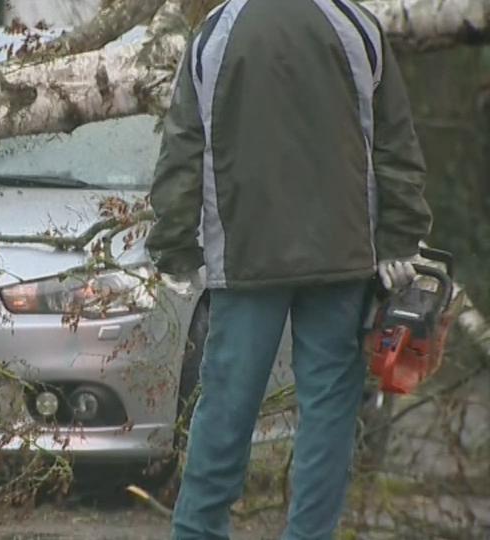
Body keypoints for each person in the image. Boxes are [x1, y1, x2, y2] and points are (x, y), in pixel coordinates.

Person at [144, 0, 432, 538]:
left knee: (227, 403)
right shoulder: (357, 26)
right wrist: (401, 236)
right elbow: (395, 143)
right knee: (328, 410)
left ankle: (198, 531)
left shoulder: (216, 32)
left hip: (245, 254)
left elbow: (184, 146)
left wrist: (175, 245)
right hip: (343, 257)